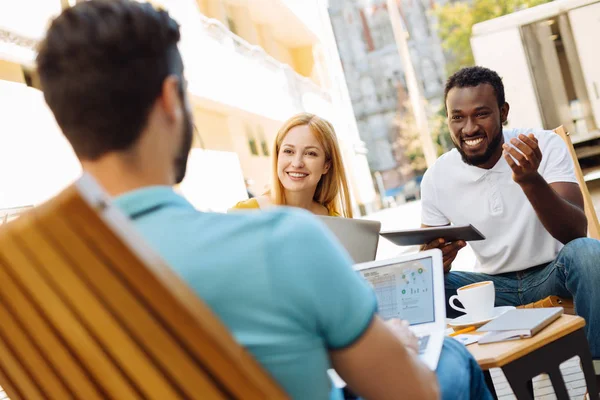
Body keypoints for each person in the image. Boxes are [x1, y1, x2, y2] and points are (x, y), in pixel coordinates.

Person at [36, 2, 491, 399]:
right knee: (450, 356)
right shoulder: (284, 240)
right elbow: (410, 392)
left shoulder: (30, 275)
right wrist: (396, 343)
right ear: (172, 99)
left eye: (310, 153)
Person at [420, 66, 600, 383]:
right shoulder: (437, 176)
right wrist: (435, 260)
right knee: (426, 287)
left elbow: (575, 233)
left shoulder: (543, 145)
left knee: (588, 253)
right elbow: (429, 261)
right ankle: (475, 387)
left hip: (552, 274)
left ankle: (596, 373)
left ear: (503, 112)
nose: (469, 127)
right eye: (457, 117)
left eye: (481, 114)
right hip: (490, 289)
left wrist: (530, 180)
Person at [232, 113, 353, 217]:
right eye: (288, 151)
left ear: (326, 165)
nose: (296, 163)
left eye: (310, 153)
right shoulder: (244, 213)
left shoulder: (336, 222)